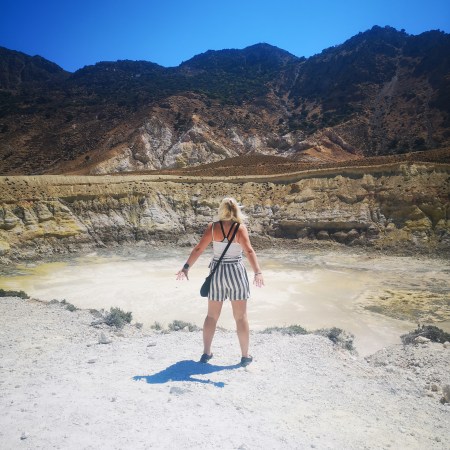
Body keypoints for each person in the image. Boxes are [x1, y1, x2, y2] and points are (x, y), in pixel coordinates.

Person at [176, 197, 264, 367]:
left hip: (217, 273)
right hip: (236, 272)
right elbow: (249, 251)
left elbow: (199, 248)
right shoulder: (240, 228)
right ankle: (245, 356)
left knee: (211, 316)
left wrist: (186, 267)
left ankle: (206, 353)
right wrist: (257, 272)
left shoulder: (213, 227)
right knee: (241, 317)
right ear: (236, 209)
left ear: (221, 209)